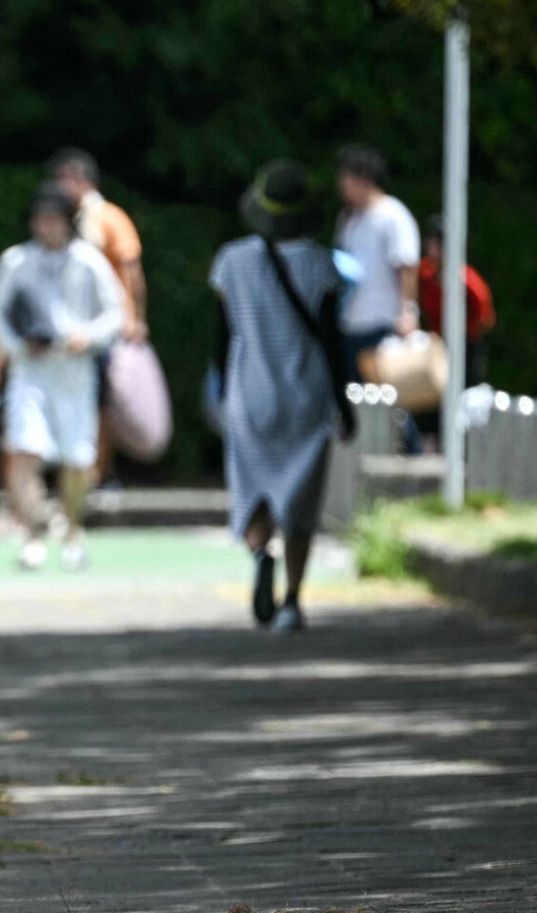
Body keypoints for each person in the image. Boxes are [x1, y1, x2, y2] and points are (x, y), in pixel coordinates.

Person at [211, 161, 349, 634]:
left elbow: (221, 335)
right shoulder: (320, 264)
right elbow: (333, 342)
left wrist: (219, 391)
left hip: (249, 390)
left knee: (253, 487)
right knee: (300, 500)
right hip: (305, 395)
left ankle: (258, 553)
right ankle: (291, 600)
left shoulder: (232, 260)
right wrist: (344, 405)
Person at [0, 185, 124, 571]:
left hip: (75, 372)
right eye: (40, 219)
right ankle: (32, 536)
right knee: (25, 450)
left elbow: (115, 314)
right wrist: (19, 346)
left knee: (77, 457)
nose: (47, 227)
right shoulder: (15, 261)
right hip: (30, 370)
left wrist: (87, 337)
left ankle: (74, 533)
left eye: (54, 219)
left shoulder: (89, 261)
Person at [51, 148, 147, 489]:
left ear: (79, 180)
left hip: (108, 327)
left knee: (104, 403)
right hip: (76, 328)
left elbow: (131, 269)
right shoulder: (66, 220)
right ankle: (85, 472)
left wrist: (135, 317)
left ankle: (101, 473)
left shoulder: (107, 216)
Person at [333, 146, 421, 383]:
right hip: (351, 321)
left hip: (383, 322)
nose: (342, 185)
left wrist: (407, 312)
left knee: (387, 401)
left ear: (364, 178)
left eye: (346, 178)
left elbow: (406, 266)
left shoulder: (392, 215)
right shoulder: (348, 218)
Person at [414, 214, 497, 450]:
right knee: (432, 401)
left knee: (464, 398)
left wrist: (463, 334)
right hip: (437, 346)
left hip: (465, 347)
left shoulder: (467, 279)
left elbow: (485, 316)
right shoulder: (426, 275)